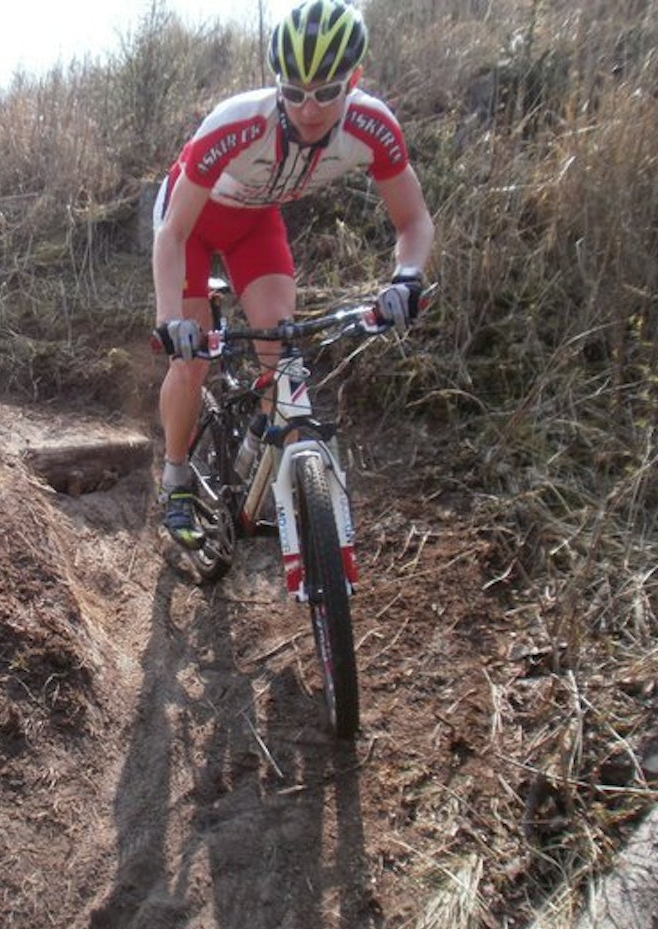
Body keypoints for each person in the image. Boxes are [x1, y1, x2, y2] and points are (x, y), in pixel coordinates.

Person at [152, 0, 435, 549]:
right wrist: (170, 321)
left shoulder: (372, 127)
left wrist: (407, 276)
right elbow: (172, 234)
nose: (310, 108)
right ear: (277, 84)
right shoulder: (235, 126)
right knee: (191, 362)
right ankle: (177, 477)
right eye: (296, 92)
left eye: (328, 91)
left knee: (282, 352)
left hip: (255, 224)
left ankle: (260, 451)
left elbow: (414, 220)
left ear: (353, 79)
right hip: (191, 225)